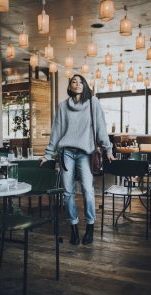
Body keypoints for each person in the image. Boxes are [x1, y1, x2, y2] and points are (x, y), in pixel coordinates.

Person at [40, 74, 114, 245]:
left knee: (88, 190)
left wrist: (108, 148)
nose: (78, 84)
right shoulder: (63, 106)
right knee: (67, 193)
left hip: (85, 154)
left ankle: (89, 227)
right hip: (66, 153)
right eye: (74, 82)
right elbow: (56, 132)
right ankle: (73, 227)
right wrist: (48, 154)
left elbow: (101, 127)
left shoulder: (93, 103)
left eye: (81, 82)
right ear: (70, 86)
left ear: (85, 85)